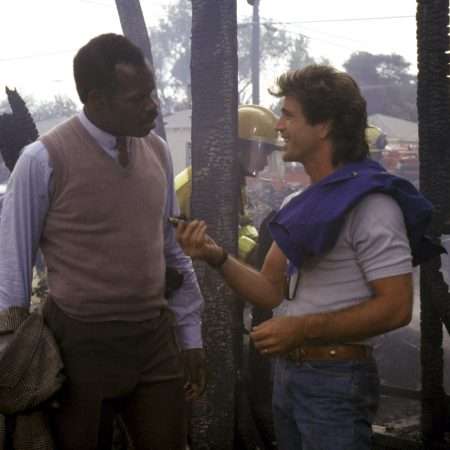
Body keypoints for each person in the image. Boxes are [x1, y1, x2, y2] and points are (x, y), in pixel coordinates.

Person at [175, 65, 435, 450]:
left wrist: (302, 328)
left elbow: (396, 308)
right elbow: (269, 289)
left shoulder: (372, 204)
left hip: (336, 380)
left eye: (289, 115)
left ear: (324, 125)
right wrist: (216, 256)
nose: (279, 126)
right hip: (289, 375)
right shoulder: (299, 203)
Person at [0, 33, 205, 450]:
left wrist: (191, 337)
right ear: (96, 100)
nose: (153, 106)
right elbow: (12, 268)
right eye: (138, 98)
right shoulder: (42, 160)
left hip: (152, 338)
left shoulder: (158, 152)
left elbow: (172, 250)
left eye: (152, 93)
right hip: (78, 346)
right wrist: (14, 360)